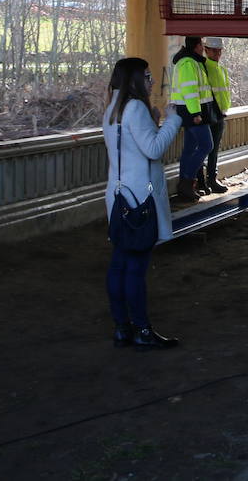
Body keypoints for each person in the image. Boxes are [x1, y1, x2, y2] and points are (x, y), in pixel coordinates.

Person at [103, 57, 184, 351]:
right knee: (136, 267)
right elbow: (153, 149)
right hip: (140, 198)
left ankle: (122, 327)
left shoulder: (113, 107)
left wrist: (154, 122)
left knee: (119, 264)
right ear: (136, 79)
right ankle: (142, 330)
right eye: (147, 76)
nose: (151, 81)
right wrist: (174, 119)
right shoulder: (135, 107)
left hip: (119, 196)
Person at [169, 36, 215, 203]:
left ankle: (186, 187)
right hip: (192, 112)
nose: (203, 48)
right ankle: (186, 182)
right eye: (201, 45)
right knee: (206, 145)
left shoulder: (190, 61)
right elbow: (190, 90)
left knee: (189, 149)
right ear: (196, 46)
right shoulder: (189, 63)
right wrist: (196, 113)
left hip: (188, 111)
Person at [202, 37, 232, 194]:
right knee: (204, 149)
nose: (218, 53)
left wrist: (224, 109)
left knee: (214, 150)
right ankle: (202, 181)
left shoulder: (221, 69)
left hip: (219, 114)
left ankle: (212, 179)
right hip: (208, 115)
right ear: (206, 50)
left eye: (219, 50)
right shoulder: (203, 68)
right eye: (214, 50)